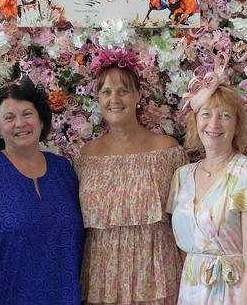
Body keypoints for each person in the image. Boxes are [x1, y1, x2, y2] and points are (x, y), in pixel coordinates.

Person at [0, 78, 84, 305]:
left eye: (27, 114)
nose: (20, 123)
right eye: (9, 118)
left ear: (41, 120)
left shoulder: (64, 171)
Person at [75, 50, 188, 304]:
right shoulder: (86, 155)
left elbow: (184, 220)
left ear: (138, 95)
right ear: (98, 99)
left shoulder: (166, 150)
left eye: (122, 91)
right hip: (102, 278)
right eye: (106, 92)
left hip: (156, 275)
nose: (114, 99)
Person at [167, 61, 247, 305]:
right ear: (195, 122)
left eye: (225, 116)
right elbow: (183, 252)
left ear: (237, 124)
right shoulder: (182, 176)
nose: (214, 124)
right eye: (206, 114)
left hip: (236, 294)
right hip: (192, 293)